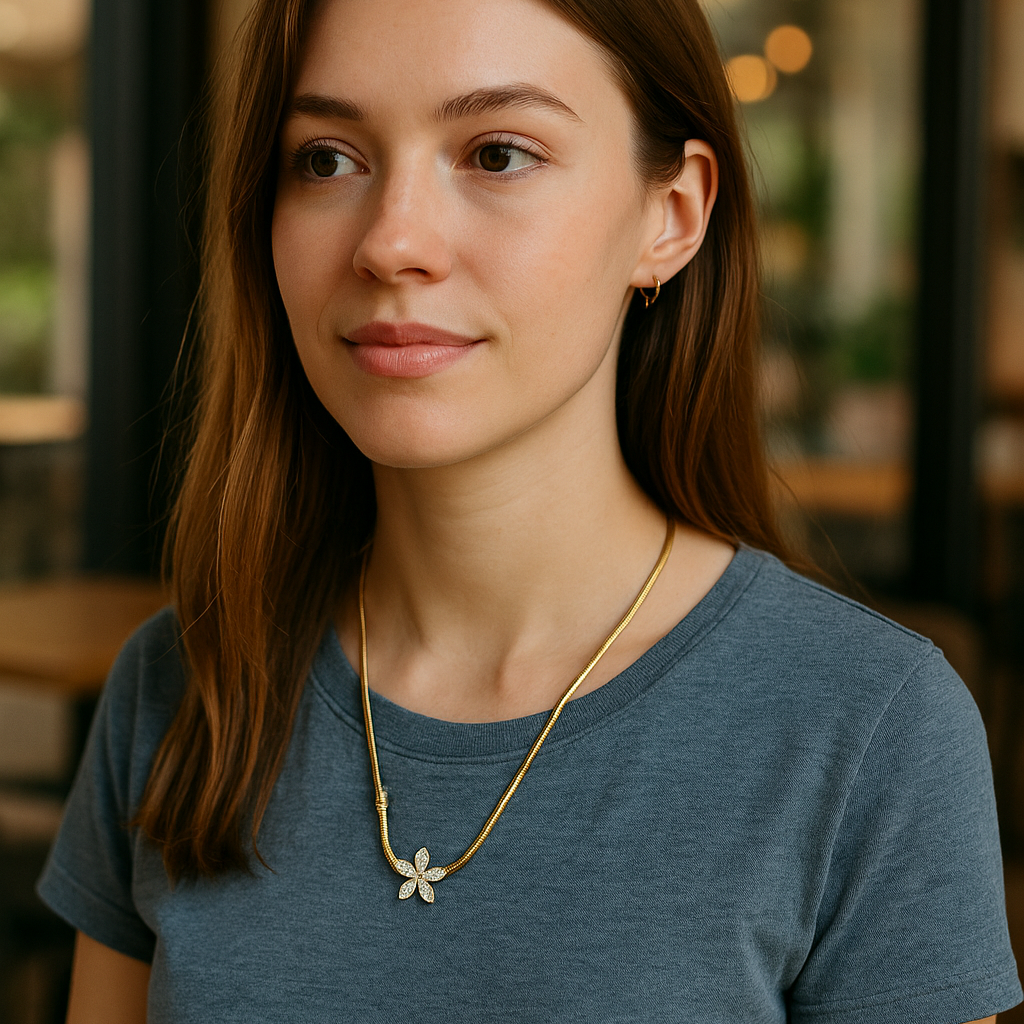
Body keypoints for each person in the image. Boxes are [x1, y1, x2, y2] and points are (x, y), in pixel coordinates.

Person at [38, 0, 1021, 1020]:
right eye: (327, 159)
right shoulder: (179, 686)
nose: (394, 242)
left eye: (497, 153)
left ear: (670, 215)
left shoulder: (868, 729)